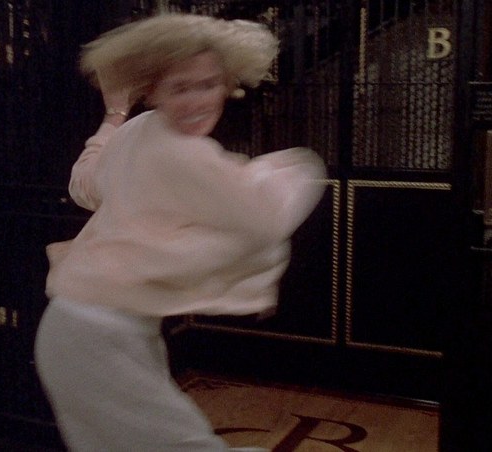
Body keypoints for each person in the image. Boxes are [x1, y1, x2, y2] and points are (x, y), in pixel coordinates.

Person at [34, 12, 326, 452]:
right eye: (180, 88)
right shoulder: (187, 155)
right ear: (154, 91)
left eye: (208, 85)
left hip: (75, 327)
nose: (196, 101)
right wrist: (300, 166)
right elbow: (266, 218)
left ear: (227, 85)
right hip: (101, 336)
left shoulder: (136, 132)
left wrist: (114, 114)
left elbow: (84, 185)